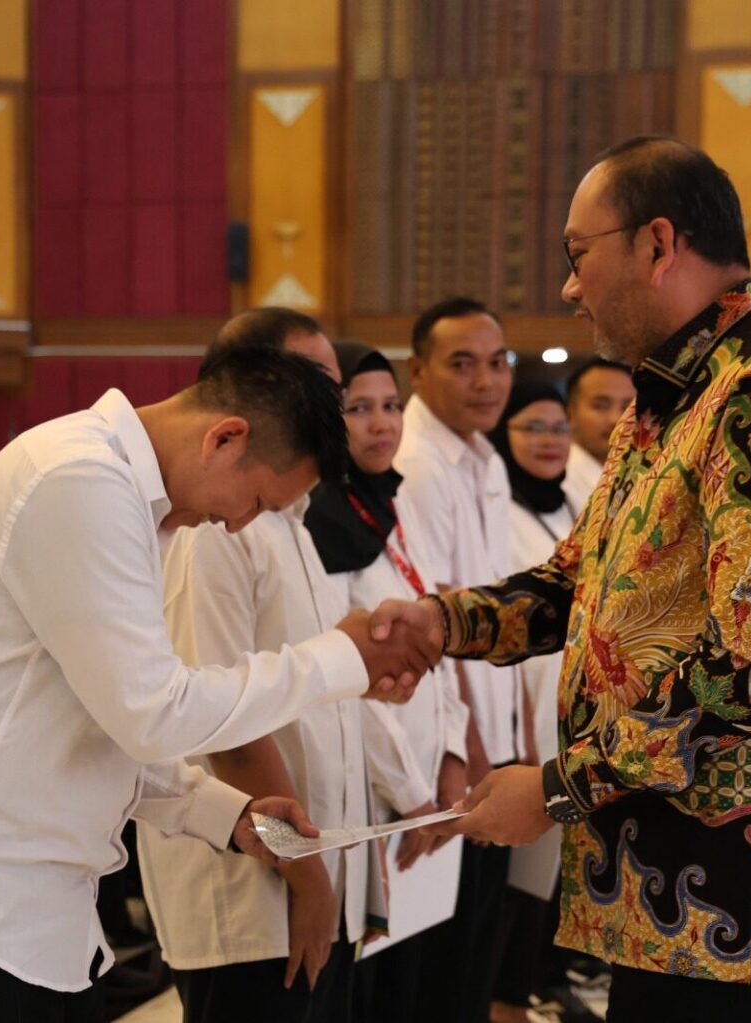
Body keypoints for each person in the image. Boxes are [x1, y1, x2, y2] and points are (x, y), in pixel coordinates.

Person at [374, 136, 751, 1021]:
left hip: (740, 881)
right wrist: (444, 623)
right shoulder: (675, 395)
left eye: (578, 254)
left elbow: (750, 664)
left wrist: (556, 788)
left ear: (657, 243)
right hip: (668, 864)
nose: (570, 287)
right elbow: (582, 583)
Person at [0, 346, 442, 1022]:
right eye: (257, 501)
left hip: (26, 921)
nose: (239, 523)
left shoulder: (121, 495)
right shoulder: (77, 477)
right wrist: (340, 660)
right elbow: (153, 713)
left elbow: (100, 723)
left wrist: (224, 814)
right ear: (225, 439)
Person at [142, 311, 378, 1023]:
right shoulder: (216, 525)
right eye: (319, 385)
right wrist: (309, 880)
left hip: (311, 872)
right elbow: (223, 725)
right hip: (250, 893)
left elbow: (305, 698)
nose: (335, 406)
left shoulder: (289, 518)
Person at [304, 340, 470, 1022]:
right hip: (374, 798)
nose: (382, 423)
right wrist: (409, 794)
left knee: (417, 987)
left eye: (392, 405)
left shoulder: (393, 509)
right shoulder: (319, 521)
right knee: (369, 994)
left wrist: (453, 753)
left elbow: (438, 636)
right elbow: (349, 678)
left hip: (428, 785)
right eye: (359, 408)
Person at [393, 295, 524, 1023]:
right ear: (417, 371)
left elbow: (499, 604)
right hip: (452, 751)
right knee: (442, 968)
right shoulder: (416, 463)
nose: (486, 380)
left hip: (493, 739)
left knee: (479, 948)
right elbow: (432, 625)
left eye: (498, 362)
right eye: (463, 364)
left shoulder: (483, 456)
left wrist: (517, 737)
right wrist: (471, 755)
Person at [485, 380, 580, 1023]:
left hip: (561, 720)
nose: (550, 441)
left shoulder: (571, 503)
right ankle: (502, 1001)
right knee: (508, 880)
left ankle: (524, 992)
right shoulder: (498, 510)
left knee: (541, 877)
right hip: (511, 721)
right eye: (533, 427)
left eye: (558, 427)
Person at [563, 358, 635, 511]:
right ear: (570, 414)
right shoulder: (559, 479)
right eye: (600, 406)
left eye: (627, 407)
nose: (615, 419)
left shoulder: (642, 474)